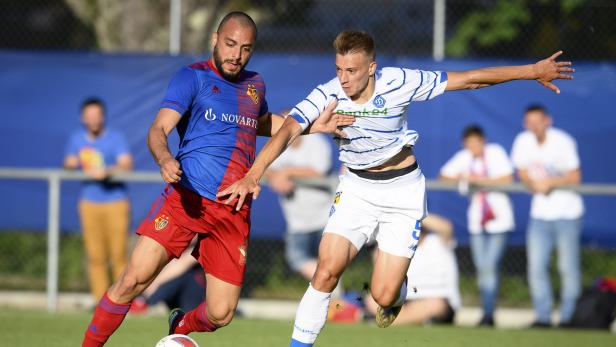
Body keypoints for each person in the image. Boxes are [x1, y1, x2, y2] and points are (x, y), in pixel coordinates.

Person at [219, 30, 574, 346]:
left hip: (402, 192)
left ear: (372, 67)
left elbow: (470, 80)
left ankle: (396, 291)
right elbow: (287, 130)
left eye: (352, 71)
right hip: (356, 189)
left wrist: (532, 71)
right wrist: (255, 174)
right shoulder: (327, 94)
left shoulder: (400, 81)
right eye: (339, 69)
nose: (343, 79)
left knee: (383, 295)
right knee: (326, 270)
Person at [81, 12, 351, 347]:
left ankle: (181, 322)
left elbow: (262, 123)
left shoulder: (255, 85)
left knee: (221, 313)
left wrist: (313, 125)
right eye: (230, 44)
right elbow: (158, 129)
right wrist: (165, 158)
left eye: (245, 48)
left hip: (231, 208)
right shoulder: (192, 77)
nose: (236, 55)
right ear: (215, 39)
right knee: (132, 280)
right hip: (185, 200)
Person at [510, 104, 583, 327]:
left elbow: (575, 176)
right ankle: (543, 317)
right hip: (540, 215)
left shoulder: (563, 141)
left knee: (567, 268)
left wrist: (550, 182)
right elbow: (521, 172)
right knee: (536, 267)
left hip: (568, 214)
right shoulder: (522, 141)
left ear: (547, 121)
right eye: (529, 122)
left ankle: (568, 318)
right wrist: (533, 183)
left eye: (538, 121)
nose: (534, 126)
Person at [439, 125, 514, 326]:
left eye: (476, 143)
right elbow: (444, 176)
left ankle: (488, 314)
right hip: (477, 223)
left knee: (488, 267)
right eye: (469, 144)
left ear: (483, 141)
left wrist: (479, 180)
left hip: (498, 220)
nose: (472, 147)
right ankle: (487, 311)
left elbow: (507, 178)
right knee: (483, 269)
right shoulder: (465, 157)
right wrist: (463, 178)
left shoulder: (496, 153)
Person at [64, 97, 133, 302]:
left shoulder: (116, 138)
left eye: (97, 115)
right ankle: (100, 302)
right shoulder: (77, 139)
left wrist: (108, 171)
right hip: (89, 203)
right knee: (95, 256)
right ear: (82, 118)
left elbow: (126, 164)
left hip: (116, 202)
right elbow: (68, 162)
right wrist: (79, 162)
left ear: (103, 117)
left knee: (119, 254)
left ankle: (123, 301)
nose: (93, 120)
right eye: (89, 116)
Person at [362, 214, 461, 326]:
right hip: (405, 301)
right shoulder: (397, 249)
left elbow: (446, 227)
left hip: (436, 300)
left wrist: (412, 213)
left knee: (435, 305)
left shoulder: (438, 241)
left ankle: (394, 321)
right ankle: (416, 320)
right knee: (371, 300)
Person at [265, 132, 333, 282]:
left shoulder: (316, 141)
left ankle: (334, 292)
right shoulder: (277, 144)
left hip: (325, 217)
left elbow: (318, 171)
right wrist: (275, 177)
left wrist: (287, 172)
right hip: (297, 221)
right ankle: (331, 289)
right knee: (297, 258)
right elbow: (264, 166)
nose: (285, 131)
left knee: (332, 262)